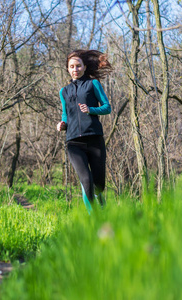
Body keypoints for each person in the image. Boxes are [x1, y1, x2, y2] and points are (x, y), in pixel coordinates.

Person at [57, 49, 112, 213]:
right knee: (86, 181)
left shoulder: (93, 84)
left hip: (94, 139)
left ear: (85, 67)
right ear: (68, 69)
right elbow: (65, 114)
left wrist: (91, 110)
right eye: (72, 66)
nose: (75, 69)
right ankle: (94, 218)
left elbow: (107, 108)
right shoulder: (64, 91)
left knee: (99, 185)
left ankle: (100, 201)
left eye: (78, 66)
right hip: (74, 142)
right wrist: (62, 124)